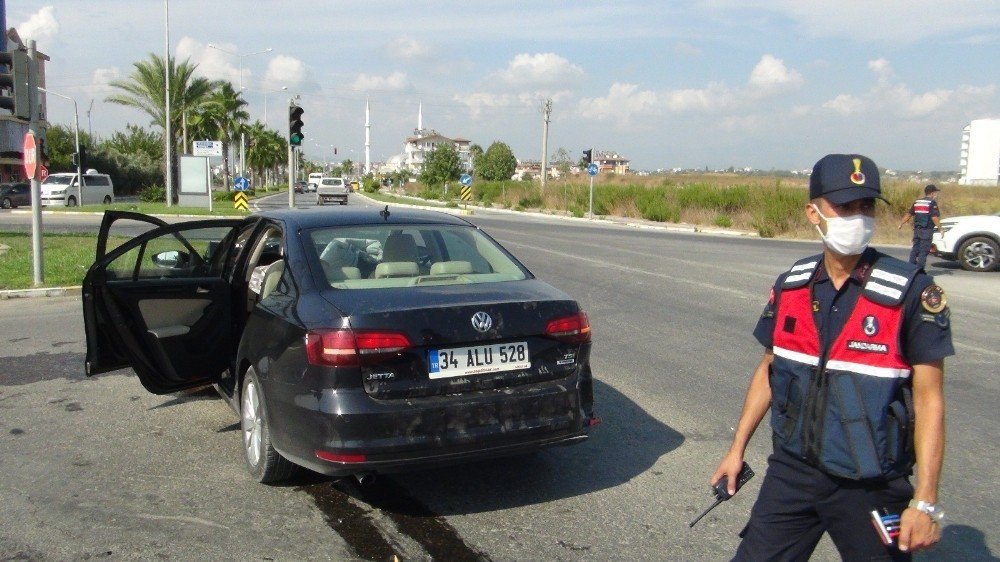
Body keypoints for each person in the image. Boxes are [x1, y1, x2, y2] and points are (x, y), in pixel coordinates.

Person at [712, 154, 953, 561]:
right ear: (814, 213)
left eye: (866, 206)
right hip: (793, 472)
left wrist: (925, 502)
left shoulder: (911, 291)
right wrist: (736, 450)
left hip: (871, 484)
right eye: (845, 206)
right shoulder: (792, 286)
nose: (858, 217)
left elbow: (930, 399)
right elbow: (770, 368)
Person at [898, 184, 944, 269]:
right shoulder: (932, 203)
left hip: (917, 230)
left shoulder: (917, 202)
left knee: (915, 249)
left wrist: (901, 223)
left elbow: (909, 214)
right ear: (932, 193)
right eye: (935, 192)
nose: (936, 194)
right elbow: (934, 217)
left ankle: (910, 268)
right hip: (926, 231)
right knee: (924, 251)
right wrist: (940, 229)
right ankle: (919, 270)